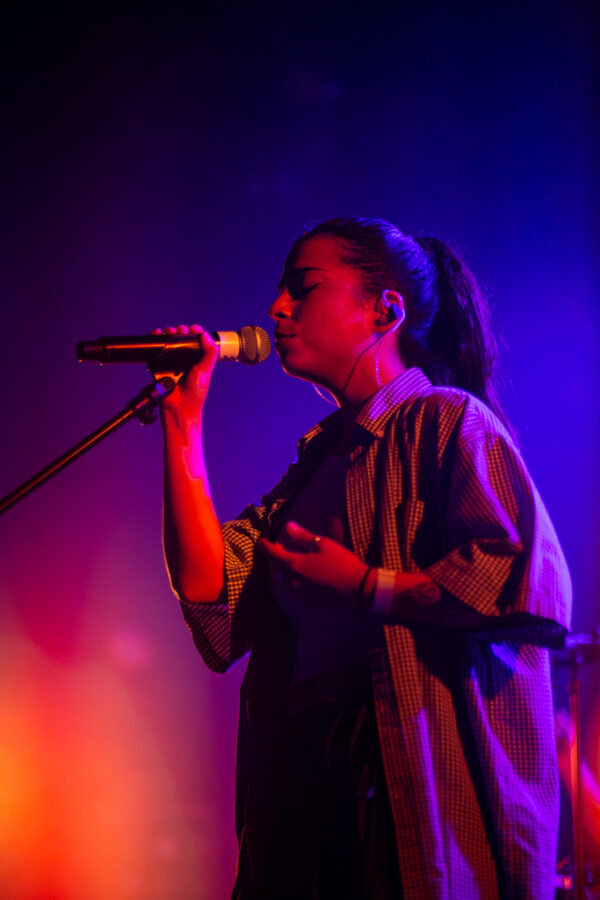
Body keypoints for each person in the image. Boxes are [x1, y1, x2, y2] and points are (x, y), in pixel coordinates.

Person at [157, 217, 572, 899]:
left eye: (303, 288)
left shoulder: (448, 422)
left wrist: (367, 587)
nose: (276, 308)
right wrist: (183, 421)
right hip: (300, 774)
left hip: (396, 775)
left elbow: (524, 581)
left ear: (385, 310)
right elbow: (211, 588)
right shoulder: (314, 465)